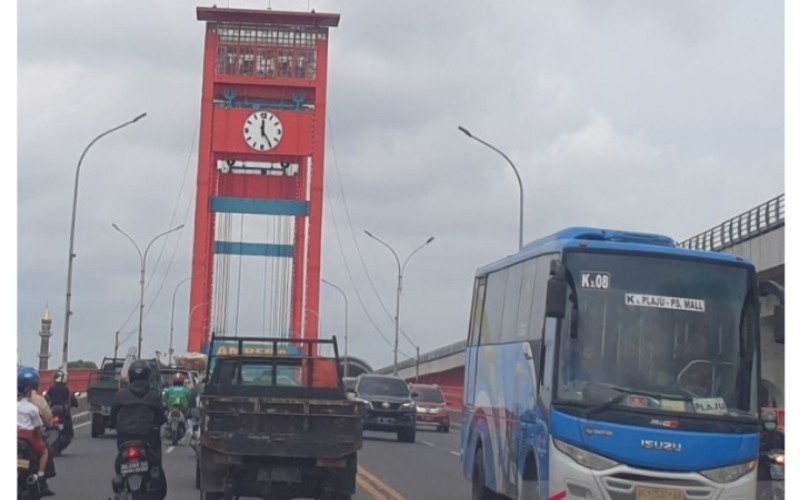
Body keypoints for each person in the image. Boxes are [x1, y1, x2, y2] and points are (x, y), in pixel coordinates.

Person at [109, 360, 167, 499]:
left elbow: (113, 416)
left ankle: (121, 484)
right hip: (148, 440)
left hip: (125, 440)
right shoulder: (153, 396)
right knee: (155, 465)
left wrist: (113, 424)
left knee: (120, 464)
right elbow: (161, 418)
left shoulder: (121, 395)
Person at [18, 369, 55, 496]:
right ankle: (40, 477)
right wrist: (39, 440)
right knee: (45, 450)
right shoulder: (37, 403)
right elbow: (43, 425)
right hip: (28, 437)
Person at [757, 409, 785, 498]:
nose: (770, 425)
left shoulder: (780, 436)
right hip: (763, 468)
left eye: (772, 422)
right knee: (764, 490)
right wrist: (764, 455)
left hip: (779, 468)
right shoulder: (759, 436)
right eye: (767, 423)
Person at [45, 369, 79, 439]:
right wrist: (75, 404)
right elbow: (73, 400)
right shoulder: (67, 389)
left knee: (48, 421)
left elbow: (46, 398)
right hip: (63, 410)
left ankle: (47, 429)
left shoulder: (51, 388)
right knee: (68, 421)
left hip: (53, 409)